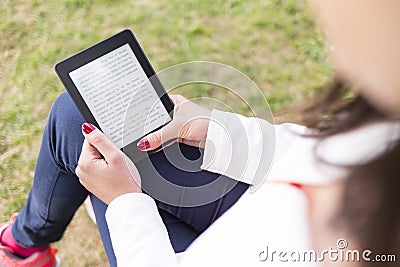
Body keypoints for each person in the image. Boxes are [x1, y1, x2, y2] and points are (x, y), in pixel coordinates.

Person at [1, 0, 400, 266]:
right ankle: (28, 242)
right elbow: (314, 153)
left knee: (98, 155)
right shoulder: (384, 134)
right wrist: (215, 130)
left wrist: (126, 205)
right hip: (256, 201)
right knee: (80, 116)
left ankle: (28, 243)